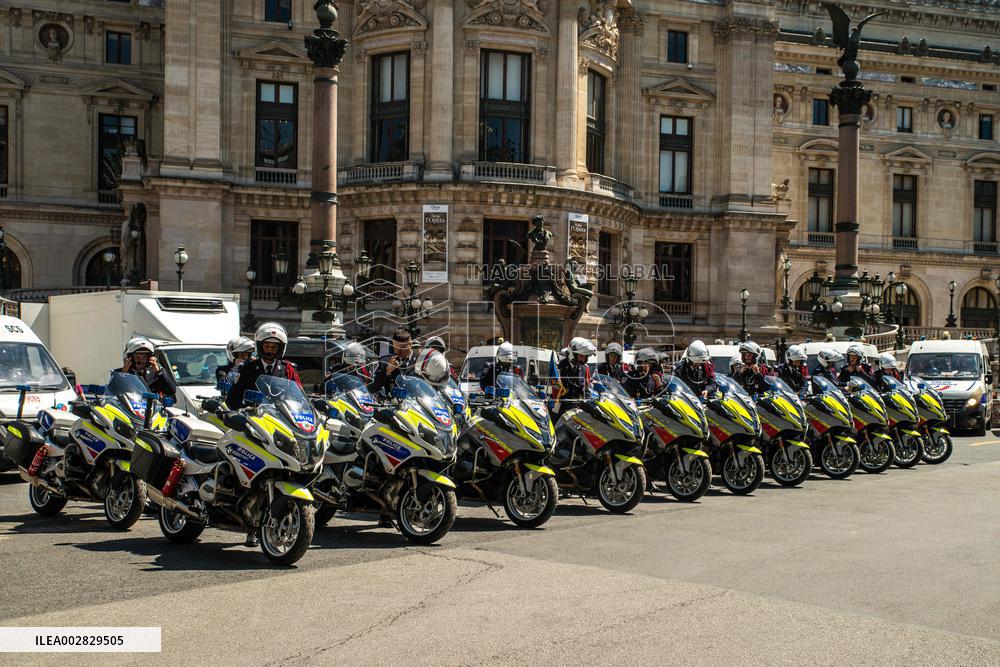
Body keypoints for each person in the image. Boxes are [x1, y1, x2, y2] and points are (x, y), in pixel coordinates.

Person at [225, 322, 301, 410]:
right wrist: (245, 409)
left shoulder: (288, 369)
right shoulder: (247, 369)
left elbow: (298, 397)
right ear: (260, 346)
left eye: (274, 347)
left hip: (282, 418)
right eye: (267, 346)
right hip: (256, 418)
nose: (270, 350)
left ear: (280, 348)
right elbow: (232, 399)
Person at [368, 328, 419, 397]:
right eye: (395, 348)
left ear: (410, 344)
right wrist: (386, 371)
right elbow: (372, 388)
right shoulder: (385, 361)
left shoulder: (419, 361)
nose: (398, 351)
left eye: (402, 348)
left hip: (416, 403)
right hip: (393, 404)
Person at [554, 337, 597, 417]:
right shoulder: (559, 367)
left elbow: (585, 389)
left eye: (585, 357)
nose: (583, 360)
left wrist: (591, 401)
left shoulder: (583, 368)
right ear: (572, 354)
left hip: (578, 408)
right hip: (561, 407)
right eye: (581, 356)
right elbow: (555, 391)